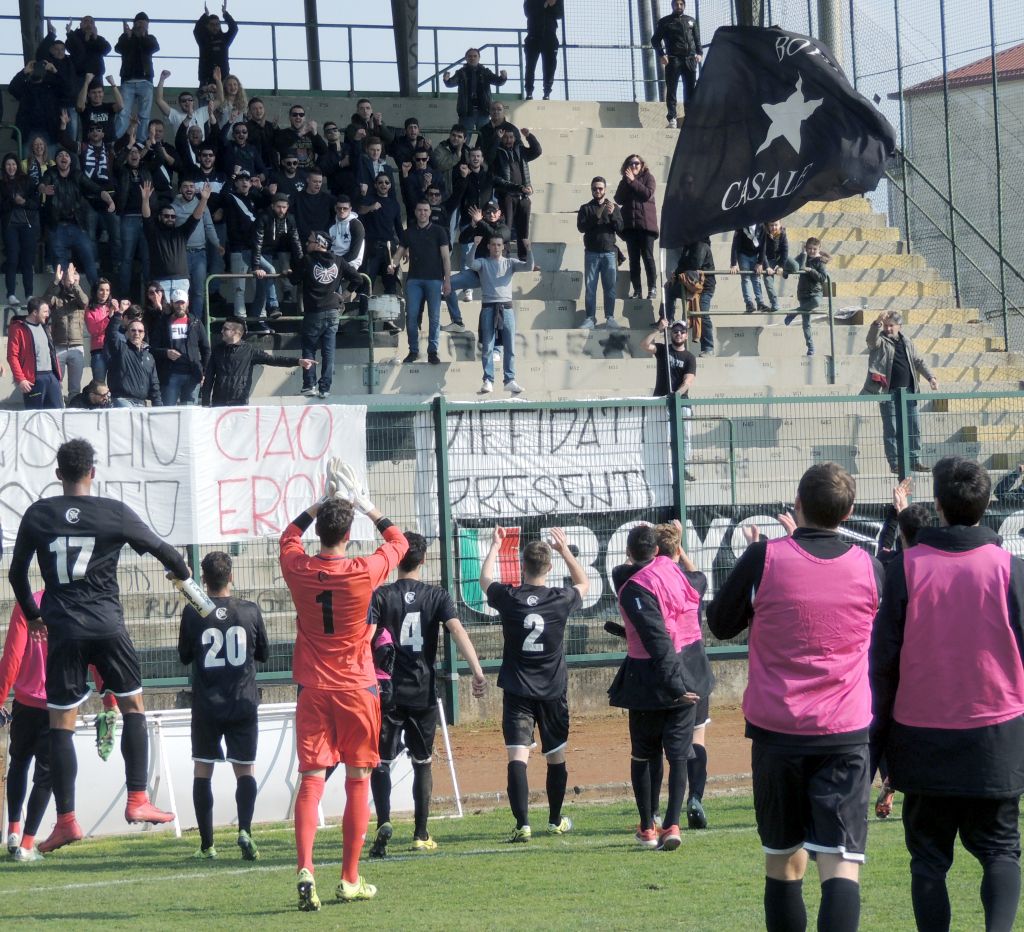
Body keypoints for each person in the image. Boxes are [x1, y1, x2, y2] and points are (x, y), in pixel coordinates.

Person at [708, 463, 883, 932]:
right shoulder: (870, 566)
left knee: (783, 861)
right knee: (841, 864)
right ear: (848, 513)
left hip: (779, 733)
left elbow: (720, 624)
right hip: (844, 733)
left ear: (797, 504)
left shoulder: (763, 558)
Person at [8, 438, 192, 853]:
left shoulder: (38, 515)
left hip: (65, 631)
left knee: (61, 724)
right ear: (93, 471)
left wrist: (33, 615)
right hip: (108, 627)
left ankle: (67, 820)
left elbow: (17, 573)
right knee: (132, 707)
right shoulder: (113, 512)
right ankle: (138, 799)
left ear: (58, 475)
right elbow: (163, 550)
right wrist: (182, 574)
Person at [872, 457, 1024, 932]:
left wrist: (877, 746)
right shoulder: (1011, 569)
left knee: (928, 859)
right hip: (997, 736)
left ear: (936, 505)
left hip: (921, 736)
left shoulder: (905, 568)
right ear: (987, 504)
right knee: (1001, 850)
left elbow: (882, 666)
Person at [279, 458, 408, 911]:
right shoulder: (362, 571)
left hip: (312, 688)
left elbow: (287, 537)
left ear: (319, 534)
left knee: (312, 779)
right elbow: (399, 541)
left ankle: (305, 868)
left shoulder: (296, 566)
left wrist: (319, 503)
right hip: (356, 687)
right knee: (358, 779)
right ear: (348, 535)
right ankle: (350, 878)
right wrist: (365, 504)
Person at [367, 531, 487, 858]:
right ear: (422, 560)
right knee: (422, 763)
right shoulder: (436, 596)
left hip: (387, 691)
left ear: (396, 560)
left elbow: (365, 637)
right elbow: (457, 630)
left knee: (382, 762)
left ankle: (384, 822)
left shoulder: (380, 595)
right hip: (422, 691)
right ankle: (421, 833)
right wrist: (476, 671)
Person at [481, 526, 589, 842]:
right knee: (555, 756)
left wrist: (494, 546)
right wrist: (565, 550)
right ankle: (555, 820)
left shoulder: (510, 598)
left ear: (521, 565)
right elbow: (583, 582)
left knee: (517, 757)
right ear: (549, 567)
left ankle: (523, 824)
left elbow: (485, 580)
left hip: (517, 689)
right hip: (553, 690)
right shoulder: (559, 599)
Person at [607, 523, 710, 850]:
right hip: (688, 672)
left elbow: (657, 639)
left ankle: (649, 828)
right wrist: (677, 550)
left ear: (629, 551)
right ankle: (671, 824)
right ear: (662, 552)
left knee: (643, 753)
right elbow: (701, 581)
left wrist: (674, 683)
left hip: (653, 679)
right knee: (679, 753)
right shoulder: (677, 572)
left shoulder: (630, 582)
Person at [178, 549, 268, 861]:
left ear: (204, 579)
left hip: (208, 705)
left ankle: (207, 845)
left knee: (203, 770)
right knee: (245, 769)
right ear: (231, 576)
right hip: (243, 702)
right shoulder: (250, 610)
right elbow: (263, 655)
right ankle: (245, 830)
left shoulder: (194, 612)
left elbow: (184, 656)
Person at [861, 310, 938, 476]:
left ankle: (914, 460)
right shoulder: (880, 341)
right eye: (886, 325)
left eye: (891, 326)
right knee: (892, 429)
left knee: (914, 427)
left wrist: (930, 377)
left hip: (909, 392)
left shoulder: (907, 341)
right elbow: (870, 340)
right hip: (888, 393)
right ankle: (895, 463)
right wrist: (877, 322)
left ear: (899, 326)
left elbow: (919, 361)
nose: (888, 329)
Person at [463, 233, 533, 394]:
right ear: (488, 246)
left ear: (503, 247)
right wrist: (474, 245)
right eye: (493, 244)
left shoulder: (510, 262)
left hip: (506, 307)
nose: (496, 247)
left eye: (499, 245)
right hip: (488, 307)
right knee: (487, 346)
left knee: (510, 346)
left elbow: (529, 266)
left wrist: (529, 250)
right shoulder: (483, 263)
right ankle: (488, 379)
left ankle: (510, 379)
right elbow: (469, 263)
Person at [390, 200, 453, 366]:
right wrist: (393, 264)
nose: (423, 213)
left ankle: (432, 351)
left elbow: (446, 258)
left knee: (434, 317)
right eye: (420, 210)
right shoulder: (408, 232)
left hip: (434, 279)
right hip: (414, 280)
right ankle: (413, 350)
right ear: (415, 212)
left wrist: (447, 281)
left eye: (426, 210)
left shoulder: (440, 231)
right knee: (411, 317)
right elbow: (399, 253)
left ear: (430, 212)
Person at [202, 317, 312, 406]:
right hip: (218, 403)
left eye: (225, 329)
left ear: (236, 332)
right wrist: (205, 403)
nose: (221, 331)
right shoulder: (217, 350)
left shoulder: (249, 351)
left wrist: (298, 361)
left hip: (239, 402)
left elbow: (273, 359)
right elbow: (209, 378)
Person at [286, 231, 342, 397]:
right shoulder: (338, 260)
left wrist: (289, 273)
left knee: (309, 349)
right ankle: (325, 388)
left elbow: (295, 279)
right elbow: (358, 279)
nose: (306, 244)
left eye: (309, 241)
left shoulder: (308, 260)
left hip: (314, 312)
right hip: (333, 311)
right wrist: (343, 295)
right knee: (329, 352)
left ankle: (309, 385)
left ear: (319, 244)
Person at [576, 177, 624, 330]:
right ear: (591, 189)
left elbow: (620, 228)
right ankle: (590, 318)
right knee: (590, 287)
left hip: (609, 253)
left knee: (610, 287)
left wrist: (612, 215)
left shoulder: (613, 207)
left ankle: (610, 317)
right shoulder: (585, 208)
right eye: (595, 188)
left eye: (600, 188)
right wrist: (596, 215)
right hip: (591, 253)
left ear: (605, 190)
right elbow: (581, 227)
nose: (598, 191)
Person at [149, 289, 211, 406]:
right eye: (177, 302)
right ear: (172, 303)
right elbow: (152, 348)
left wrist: (203, 371)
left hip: (193, 374)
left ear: (187, 303)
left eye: (182, 302)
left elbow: (206, 349)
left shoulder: (196, 322)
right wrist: (166, 352)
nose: (180, 306)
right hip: (170, 375)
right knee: (168, 412)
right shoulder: (162, 322)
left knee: (190, 415)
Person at [492, 126, 541, 260]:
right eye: (506, 137)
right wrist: (496, 139)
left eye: (511, 137)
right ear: (502, 138)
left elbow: (537, 151)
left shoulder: (520, 150)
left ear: (515, 138)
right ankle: (504, 258)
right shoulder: (497, 152)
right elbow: (497, 179)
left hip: (523, 196)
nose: (509, 140)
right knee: (506, 229)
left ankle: (524, 258)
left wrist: (529, 136)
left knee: (524, 229)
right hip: (506, 196)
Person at [651, 0, 703, 128]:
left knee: (690, 90)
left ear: (684, 5)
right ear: (672, 6)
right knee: (672, 89)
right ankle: (672, 118)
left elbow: (697, 39)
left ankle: (690, 118)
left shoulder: (691, 20)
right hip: (673, 60)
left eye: (681, 4)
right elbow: (655, 40)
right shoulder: (665, 22)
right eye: (676, 4)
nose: (678, 6)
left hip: (690, 60)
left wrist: (699, 53)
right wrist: (661, 55)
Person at [43, 262, 89, 399]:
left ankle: (73, 408)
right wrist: (56, 282)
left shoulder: (80, 300)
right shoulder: (56, 299)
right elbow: (44, 302)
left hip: (77, 347)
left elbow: (85, 301)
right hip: (59, 346)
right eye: (69, 281)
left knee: (75, 388)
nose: (72, 283)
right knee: (56, 384)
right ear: (63, 282)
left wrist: (74, 283)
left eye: (76, 281)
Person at [1, 154, 41, 306]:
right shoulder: (2, 184)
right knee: (12, 258)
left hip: (27, 225)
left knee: (28, 260)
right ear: (4, 167)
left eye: (13, 164)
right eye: (8, 165)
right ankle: (11, 294)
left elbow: (36, 204)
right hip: (10, 225)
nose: (11, 167)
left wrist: (23, 202)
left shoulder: (27, 181)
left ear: (17, 166)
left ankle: (29, 295)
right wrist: (12, 201)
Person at [7, 298, 61, 410]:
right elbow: (12, 356)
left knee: (56, 414)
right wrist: (20, 379)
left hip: (51, 377)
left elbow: (51, 351)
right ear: (35, 312)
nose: (48, 315)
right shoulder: (18, 328)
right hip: (34, 379)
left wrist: (57, 376)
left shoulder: (45, 326)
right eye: (45, 312)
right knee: (35, 417)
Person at [114, 13, 159, 138]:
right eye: (139, 22)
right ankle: (115, 141)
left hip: (145, 81)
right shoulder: (126, 36)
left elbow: (154, 48)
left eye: (144, 23)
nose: (141, 25)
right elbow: (118, 49)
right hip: (128, 80)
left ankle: (141, 143)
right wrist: (128, 37)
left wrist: (143, 36)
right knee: (123, 113)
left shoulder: (150, 38)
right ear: (134, 24)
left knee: (144, 115)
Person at [359, 172, 404, 297]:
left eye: (386, 182)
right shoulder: (369, 200)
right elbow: (359, 211)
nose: (383, 184)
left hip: (389, 249)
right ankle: (363, 314)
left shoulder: (394, 204)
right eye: (380, 182)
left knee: (391, 284)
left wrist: (405, 248)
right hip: (372, 248)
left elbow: (399, 227)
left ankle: (390, 316)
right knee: (366, 284)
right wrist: (371, 208)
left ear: (390, 186)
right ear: (375, 185)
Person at [784, 236, 830, 357]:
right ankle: (810, 347)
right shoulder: (803, 257)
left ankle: (794, 313)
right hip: (803, 294)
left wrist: (810, 270)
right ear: (806, 248)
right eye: (809, 248)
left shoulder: (820, 262)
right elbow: (793, 266)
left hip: (815, 293)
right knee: (806, 323)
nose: (811, 251)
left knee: (816, 302)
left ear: (819, 249)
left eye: (814, 249)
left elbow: (822, 278)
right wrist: (784, 272)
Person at [105, 310, 162, 406]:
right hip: (122, 401)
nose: (137, 333)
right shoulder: (120, 348)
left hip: (141, 403)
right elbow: (111, 335)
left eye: (140, 331)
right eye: (133, 330)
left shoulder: (149, 357)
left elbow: (154, 384)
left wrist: (158, 405)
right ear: (127, 333)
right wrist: (118, 314)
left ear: (144, 334)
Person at [443, 49, 508, 133]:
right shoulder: (461, 72)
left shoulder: (485, 72)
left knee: (485, 138)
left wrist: (503, 77)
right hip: (466, 112)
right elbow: (451, 83)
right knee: (463, 138)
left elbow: (498, 81)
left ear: (479, 58)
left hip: (483, 111)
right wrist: (447, 80)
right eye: (470, 56)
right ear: (466, 58)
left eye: (475, 56)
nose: (472, 58)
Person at [671, 238, 716, 356]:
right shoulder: (688, 246)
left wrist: (681, 270)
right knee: (669, 290)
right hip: (691, 285)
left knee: (703, 313)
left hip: (705, 287)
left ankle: (708, 348)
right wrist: (676, 274)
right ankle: (668, 318)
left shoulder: (701, 245)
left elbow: (695, 264)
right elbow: (681, 265)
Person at [523, 0, 563, 101]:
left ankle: (547, 93)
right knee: (530, 66)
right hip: (533, 36)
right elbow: (527, 12)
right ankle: (529, 92)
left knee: (550, 67)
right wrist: (544, 4)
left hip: (550, 36)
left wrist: (553, 4)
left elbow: (560, 14)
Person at [194, 3, 238, 87]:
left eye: (217, 24)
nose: (215, 27)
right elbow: (197, 30)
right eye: (212, 24)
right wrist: (205, 15)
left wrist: (225, 13)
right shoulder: (202, 40)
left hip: (223, 78)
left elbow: (234, 28)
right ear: (207, 26)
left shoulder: (225, 39)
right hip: (206, 79)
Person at [731, 225, 769, 314]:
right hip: (743, 255)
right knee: (746, 279)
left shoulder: (761, 226)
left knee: (756, 278)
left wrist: (760, 263)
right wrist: (733, 264)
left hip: (755, 255)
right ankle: (749, 303)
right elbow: (735, 245)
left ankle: (760, 303)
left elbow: (763, 246)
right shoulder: (741, 226)